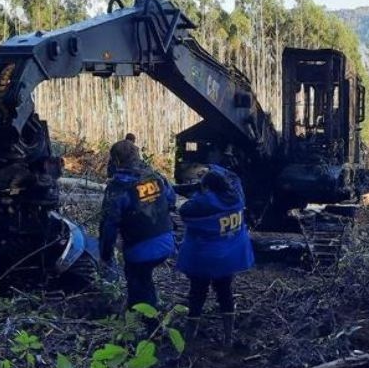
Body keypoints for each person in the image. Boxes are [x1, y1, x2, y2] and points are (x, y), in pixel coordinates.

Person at [176, 164, 254, 348]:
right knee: (225, 293)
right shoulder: (237, 198)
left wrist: (199, 192)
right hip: (228, 258)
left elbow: (184, 210)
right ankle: (228, 336)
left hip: (204, 258)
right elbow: (233, 177)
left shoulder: (202, 203)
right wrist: (214, 170)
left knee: (197, 294)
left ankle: (190, 336)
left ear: (207, 188)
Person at [99, 140, 175, 311]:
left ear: (116, 160)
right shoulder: (155, 176)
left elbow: (108, 226)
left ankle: (146, 324)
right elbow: (171, 199)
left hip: (140, 249)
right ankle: (151, 309)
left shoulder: (117, 188)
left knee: (137, 283)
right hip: (167, 240)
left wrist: (106, 255)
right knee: (144, 278)